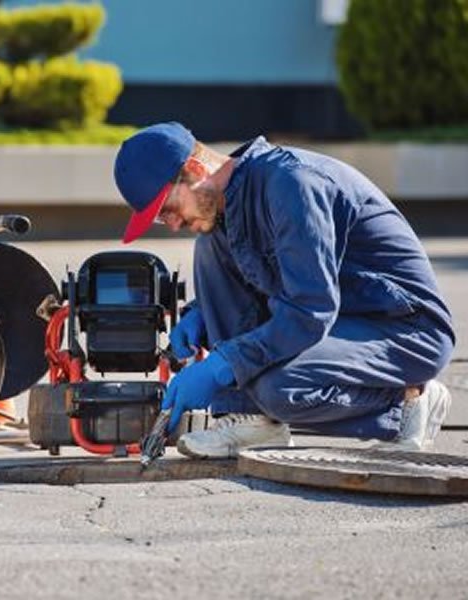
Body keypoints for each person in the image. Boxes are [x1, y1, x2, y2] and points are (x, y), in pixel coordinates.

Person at [114, 122, 455, 458]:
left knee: (280, 388)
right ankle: (254, 421)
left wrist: (224, 364)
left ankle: (408, 400)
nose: (172, 225)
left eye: (167, 210)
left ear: (195, 168)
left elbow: (310, 311)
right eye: (161, 219)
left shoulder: (293, 184)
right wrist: (202, 313)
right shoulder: (228, 204)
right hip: (339, 320)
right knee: (209, 243)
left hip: (404, 328)